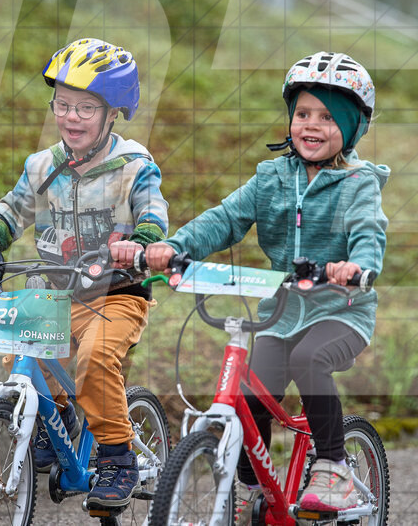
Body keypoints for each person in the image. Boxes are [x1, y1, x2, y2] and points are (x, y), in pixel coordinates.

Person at [146, 51, 389, 513]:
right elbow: (223, 219)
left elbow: (367, 231)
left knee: (309, 359)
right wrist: (175, 247)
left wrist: (356, 268)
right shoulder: (271, 178)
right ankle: (250, 491)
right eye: (302, 114)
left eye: (327, 117)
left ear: (353, 127)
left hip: (342, 310)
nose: (311, 125)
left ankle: (334, 467)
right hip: (280, 312)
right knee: (252, 394)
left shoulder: (359, 183)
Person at [0, 38, 169, 510]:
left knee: (93, 359)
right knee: (19, 353)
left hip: (117, 294)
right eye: (63, 105)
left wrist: (142, 243)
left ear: (113, 114)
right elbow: (12, 209)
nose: (71, 117)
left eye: (86, 108)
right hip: (55, 293)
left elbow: (153, 215)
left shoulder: (134, 166)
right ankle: (58, 420)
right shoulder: (43, 165)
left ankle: (117, 457)